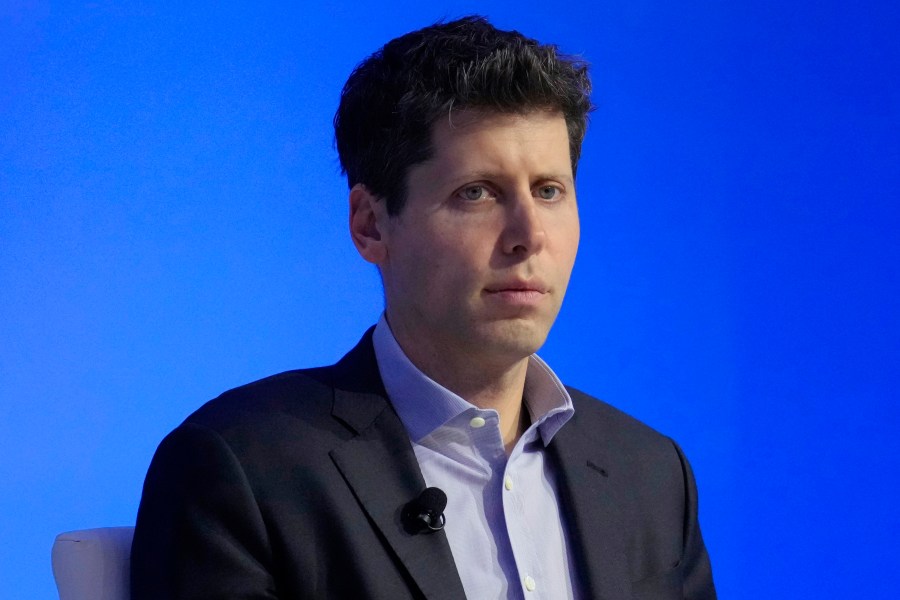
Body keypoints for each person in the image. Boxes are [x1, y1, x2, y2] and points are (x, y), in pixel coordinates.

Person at [131, 16, 716, 599]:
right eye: (477, 193)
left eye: (549, 190)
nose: (528, 235)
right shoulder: (244, 468)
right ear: (370, 224)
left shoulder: (652, 475)